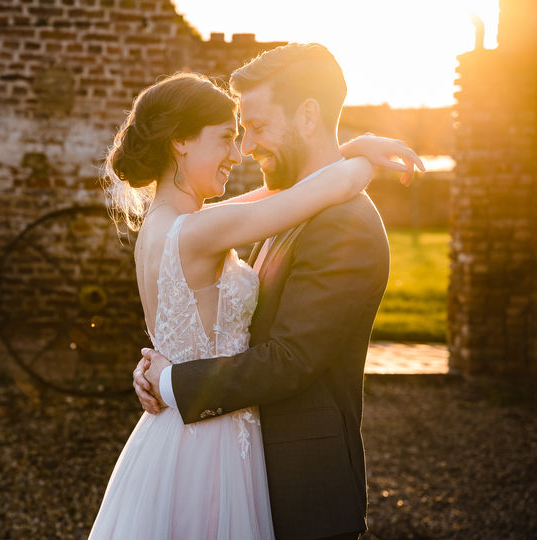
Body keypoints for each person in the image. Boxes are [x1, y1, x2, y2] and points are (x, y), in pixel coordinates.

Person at [131, 43, 423, 540]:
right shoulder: (286, 206)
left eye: (257, 128)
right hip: (236, 469)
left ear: (308, 115)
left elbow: (290, 358)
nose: (245, 147)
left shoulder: (343, 221)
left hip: (301, 489)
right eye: (235, 133)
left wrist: (172, 382)